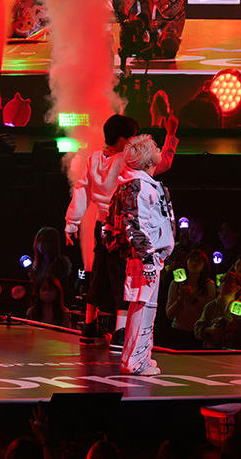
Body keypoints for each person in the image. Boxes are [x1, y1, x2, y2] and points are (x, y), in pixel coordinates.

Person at [65, 114, 178, 350]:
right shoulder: (126, 162)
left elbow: (82, 189)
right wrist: (170, 135)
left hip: (101, 226)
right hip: (122, 227)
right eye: (132, 137)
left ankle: (89, 325)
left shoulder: (95, 158)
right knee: (122, 276)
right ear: (122, 140)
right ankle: (120, 331)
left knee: (99, 274)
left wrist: (72, 222)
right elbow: (161, 164)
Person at [103, 135, 175, 375]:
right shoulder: (139, 186)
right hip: (144, 258)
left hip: (149, 256)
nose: (158, 149)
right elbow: (135, 225)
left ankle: (140, 358)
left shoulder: (143, 184)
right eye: (154, 147)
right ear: (147, 160)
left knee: (146, 309)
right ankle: (134, 361)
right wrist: (147, 259)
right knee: (141, 309)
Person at [164, 249, 216, 349]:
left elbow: (208, 314)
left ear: (204, 265)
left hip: (197, 333)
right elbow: (169, 314)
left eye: (199, 261)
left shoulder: (208, 285)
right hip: (177, 330)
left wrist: (193, 299)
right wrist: (181, 298)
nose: (194, 263)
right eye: (192, 259)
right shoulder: (176, 284)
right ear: (187, 262)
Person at [194, 272, 241, 349]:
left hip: (236, 353)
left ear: (236, 288)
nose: (220, 282)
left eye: (225, 281)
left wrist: (238, 329)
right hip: (213, 352)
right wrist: (210, 330)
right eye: (221, 280)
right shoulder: (211, 306)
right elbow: (197, 328)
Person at [28, 227, 72, 303]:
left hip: (54, 303)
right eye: (39, 240)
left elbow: (56, 287)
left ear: (52, 243)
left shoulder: (59, 263)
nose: (41, 243)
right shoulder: (39, 263)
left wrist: (36, 279)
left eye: (45, 241)